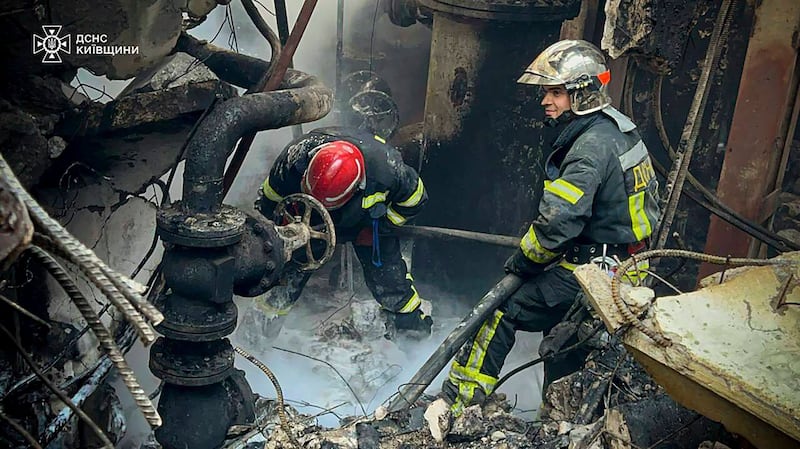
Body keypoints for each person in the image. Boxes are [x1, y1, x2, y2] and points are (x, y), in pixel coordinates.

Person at [440, 39, 661, 414]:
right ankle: (558, 419)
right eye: (546, 92)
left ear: (583, 93)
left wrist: (523, 263)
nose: (546, 101)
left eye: (556, 93)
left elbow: (556, 225)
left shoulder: (588, 150)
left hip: (596, 270)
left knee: (501, 309)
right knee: (565, 347)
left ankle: (457, 405)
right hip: (627, 266)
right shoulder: (619, 130)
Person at [253, 115, 433, 339]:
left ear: (357, 187)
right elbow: (269, 201)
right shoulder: (294, 159)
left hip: (367, 224)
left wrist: (383, 227)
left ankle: (411, 335)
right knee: (286, 275)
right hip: (308, 223)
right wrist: (281, 236)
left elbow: (415, 200)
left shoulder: (388, 169)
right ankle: (259, 336)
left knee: (390, 280)